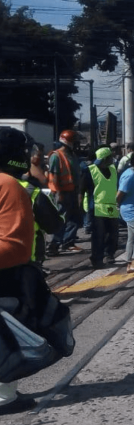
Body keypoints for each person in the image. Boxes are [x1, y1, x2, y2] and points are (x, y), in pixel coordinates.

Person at [0, 127, 40, 414]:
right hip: (6, 276)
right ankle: (4, 398)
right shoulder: (9, 186)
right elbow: (15, 246)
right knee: (8, 337)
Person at [46, 130, 83, 256]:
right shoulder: (57, 156)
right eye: (75, 142)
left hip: (72, 191)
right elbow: (54, 176)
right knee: (62, 219)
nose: (77, 144)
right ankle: (54, 244)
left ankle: (68, 242)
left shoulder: (72, 155)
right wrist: (59, 193)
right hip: (63, 192)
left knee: (75, 219)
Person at [83, 147, 120, 269]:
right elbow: (81, 189)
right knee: (99, 235)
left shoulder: (113, 169)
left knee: (113, 234)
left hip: (112, 206)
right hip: (97, 208)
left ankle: (109, 254)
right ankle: (97, 258)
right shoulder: (90, 170)